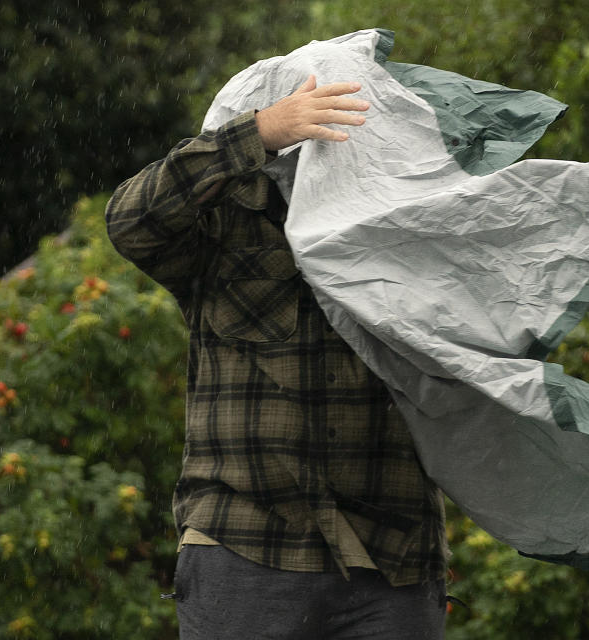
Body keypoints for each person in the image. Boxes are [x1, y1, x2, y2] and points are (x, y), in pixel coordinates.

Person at [105, 75, 448, 639]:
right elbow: (130, 222)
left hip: (393, 554)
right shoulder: (219, 230)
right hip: (243, 543)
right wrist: (259, 132)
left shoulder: (405, 227)